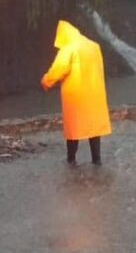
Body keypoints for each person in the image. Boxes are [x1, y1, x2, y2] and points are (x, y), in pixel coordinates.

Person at [41, 20, 112, 165]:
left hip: (76, 97)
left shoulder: (69, 49)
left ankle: (71, 160)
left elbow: (58, 70)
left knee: (74, 128)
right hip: (95, 94)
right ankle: (96, 160)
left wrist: (46, 81)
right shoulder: (94, 46)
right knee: (94, 128)